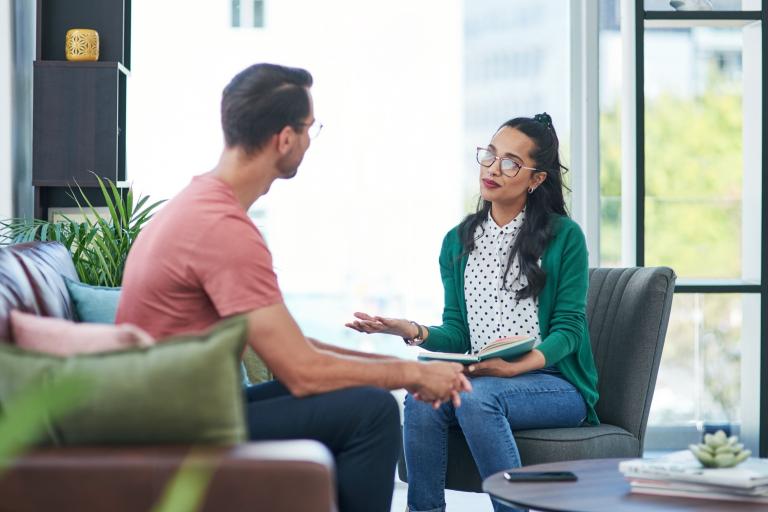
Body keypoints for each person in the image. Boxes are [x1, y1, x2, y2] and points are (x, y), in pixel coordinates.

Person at [115, 63, 472, 512]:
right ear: (285, 138)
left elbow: (293, 347)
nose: (309, 140)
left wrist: (405, 370)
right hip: (180, 427)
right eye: (310, 128)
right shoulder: (221, 228)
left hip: (189, 409)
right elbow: (303, 371)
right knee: (373, 411)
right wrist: (413, 375)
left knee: (363, 394)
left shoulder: (199, 205)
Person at [346, 114, 600, 512]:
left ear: (535, 179)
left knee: (477, 399)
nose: (494, 169)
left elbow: (569, 330)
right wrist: (410, 330)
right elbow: (459, 334)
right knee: (421, 396)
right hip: (484, 376)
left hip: (553, 381)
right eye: (490, 156)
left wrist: (512, 368)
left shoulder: (565, 236)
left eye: (511, 163)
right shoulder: (457, 242)